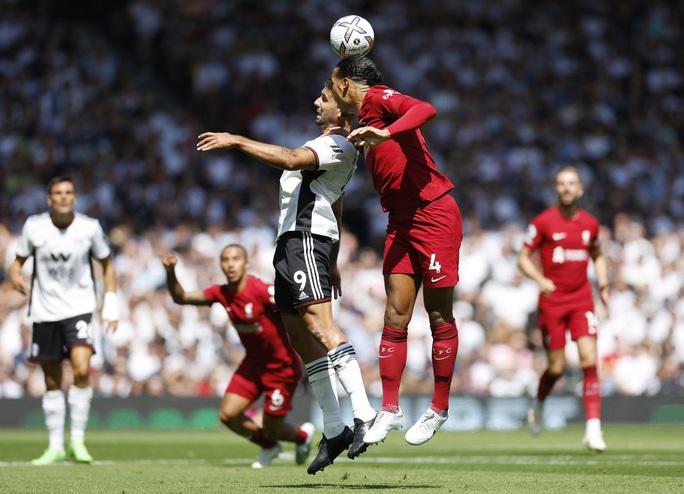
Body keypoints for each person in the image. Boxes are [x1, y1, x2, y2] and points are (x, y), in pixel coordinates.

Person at [196, 81, 376, 475]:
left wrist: (236, 140)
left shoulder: (339, 144)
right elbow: (337, 200)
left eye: (325, 98)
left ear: (343, 113)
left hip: (307, 241)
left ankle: (363, 414)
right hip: (293, 244)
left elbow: (291, 159)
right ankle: (334, 428)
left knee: (321, 327)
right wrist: (334, 259)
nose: (316, 101)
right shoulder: (328, 148)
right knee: (301, 339)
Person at [329, 56, 462, 446]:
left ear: (347, 84)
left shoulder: (381, 99)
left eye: (334, 82)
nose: (333, 88)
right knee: (395, 314)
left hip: (433, 213)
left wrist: (386, 135)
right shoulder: (358, 123)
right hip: (400, 222)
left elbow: (426, 109)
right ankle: (390, 409)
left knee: (438, 315)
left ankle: (439, 408)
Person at [162, 245, 315, 468]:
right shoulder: (221, 293)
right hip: (252, 365)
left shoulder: (262, 290)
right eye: (225, 260)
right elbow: (181, 297)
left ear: (246, 263)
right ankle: (269, 446)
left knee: (273, 427)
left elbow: (295, 306)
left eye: (236, 259)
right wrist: (170, 271)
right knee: (228, 415)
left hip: (281, 367)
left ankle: (302, 436)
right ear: (221, 264)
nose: (231, 264)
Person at [8, 176, 120, 464]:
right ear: (49, 199)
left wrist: (111, 300)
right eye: (58, 193)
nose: (63, 197)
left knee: (82, 369)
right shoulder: (34, 227)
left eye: (69, 192)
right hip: (45, 312)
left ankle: (78, 440)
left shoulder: (89, 228)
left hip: (79, 308)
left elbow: (106, 263)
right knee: (52, 379)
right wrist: (15, 275)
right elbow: (18, 261)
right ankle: (55, 444)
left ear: (75, 197)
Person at [517, 166, 609, 452]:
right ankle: (539, 403)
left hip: (582, 299)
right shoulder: (544, 222)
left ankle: (593, 428)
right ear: (556, 189)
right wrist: (540, 278)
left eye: (572, 183)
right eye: (561, 184)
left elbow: (598, 254)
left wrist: (603, 283)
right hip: (553, 302)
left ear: (580, 189)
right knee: (556, 367)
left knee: (589, 359)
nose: (567, 188)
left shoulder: (591, 224)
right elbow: (523, 258)